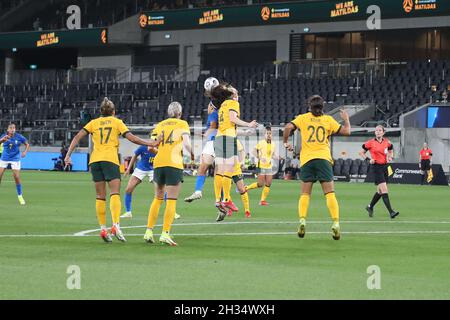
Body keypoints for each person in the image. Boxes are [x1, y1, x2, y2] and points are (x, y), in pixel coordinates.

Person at [65, 97, 159, 243]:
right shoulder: (117, 122)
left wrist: (68, 155)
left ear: (101, 112)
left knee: (100, 196)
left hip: (95, 161)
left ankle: (103, 228)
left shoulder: (93, 123)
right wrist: (149, 142)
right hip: (110, 160)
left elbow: (77, 136)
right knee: (115, 193)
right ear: (113, 112)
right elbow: (131, 138)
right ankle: (115, 225)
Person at [283, 95, 350, 240]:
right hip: (323, 159)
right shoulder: (328, 120)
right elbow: (346, 131)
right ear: (323, 107)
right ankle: (336, 223)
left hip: (307, 160)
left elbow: (288, 127)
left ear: (309, 106)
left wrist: (285, 142)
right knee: (330, 193)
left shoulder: (303, 118)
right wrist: (346, 119)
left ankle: (302, 220)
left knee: (305, 194)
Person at [144, 102, 194, 246]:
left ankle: (148, 231)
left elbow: (150, 147)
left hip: (158, 163)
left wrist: (162, 153)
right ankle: (165, 233)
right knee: (171, 200)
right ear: (180, 112)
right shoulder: (182, 123)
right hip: (174, 163)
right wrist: (192, 153)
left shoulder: (160, 125)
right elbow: (186, 143)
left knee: (158, 198)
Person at [209, 83, 258, 215]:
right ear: (233, 95)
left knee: (220, 170)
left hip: (219, 138)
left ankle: (218, 200)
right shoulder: (233, 103)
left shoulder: (222, 106)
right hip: (229, 139)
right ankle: (226, 199)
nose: (237, 94)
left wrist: (244, 132)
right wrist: (249, 124)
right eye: (236, 92)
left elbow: (228, 125)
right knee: (229, 169)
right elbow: (233, 119)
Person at [184, 77, 220, 203]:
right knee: (217, 170)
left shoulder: (215, 103)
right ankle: (219, 199)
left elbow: (214, 124)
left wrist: (207, 133)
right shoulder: (215, 102)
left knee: (206, 168)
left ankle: (201, 192)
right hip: (216, 138)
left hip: (215, 140)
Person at [359, 125, 399, 219]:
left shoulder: (386, 142)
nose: (377, 132)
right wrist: (368, 160)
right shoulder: (370, 142)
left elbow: (391, 149)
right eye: (376, 130)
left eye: (380, 130)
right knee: (384, 190)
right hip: (376, 167)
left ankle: (370, 207)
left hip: (385, 167)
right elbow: (361, 152)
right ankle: (391, 212)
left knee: (380, 191)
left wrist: (390, 156)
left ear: (383, 132)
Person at [216, 138, 251, 221]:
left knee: (241, 189)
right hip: (226, 168)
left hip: (236, 168)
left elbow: (242, 151)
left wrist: (242, 161)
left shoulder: (235, 140)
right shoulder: (221, 141)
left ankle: (247, 210)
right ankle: (229, 208)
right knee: (225, 189)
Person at [246, 125, 281, 206]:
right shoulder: (261, 143)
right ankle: (246, 188)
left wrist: (277, 157)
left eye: (270, 133)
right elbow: (253, 151)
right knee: (260, 184)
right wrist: (260, 157)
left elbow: (272, 155)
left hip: (268, 166)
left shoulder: (273, 144)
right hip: (261, 165)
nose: (269, 135)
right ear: (264, 135)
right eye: (267, 133)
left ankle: (262, 201)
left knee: (268, 183)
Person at [0, 123, 30, 205]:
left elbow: (27, 144)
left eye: (14, 128)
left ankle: (20, 196)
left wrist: (25, 152)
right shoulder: (3, 136)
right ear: (7, 129)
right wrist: (2, 140)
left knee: (16, 177)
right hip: (4, 158)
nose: (12, 129)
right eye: (11, 128)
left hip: (15, 158)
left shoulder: (19, 137)